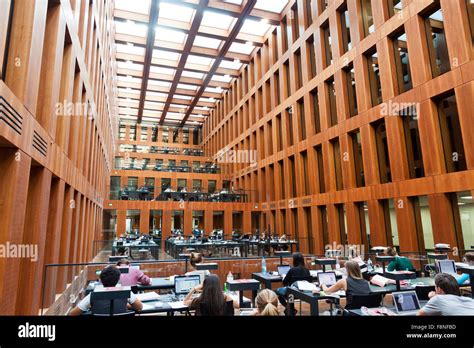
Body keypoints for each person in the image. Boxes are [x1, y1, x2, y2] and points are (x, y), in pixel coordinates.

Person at [69, 266, 143, 315]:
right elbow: (139, 307)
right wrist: (126, 305)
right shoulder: (126, 292)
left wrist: (91, 305)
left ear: (101, 280)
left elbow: (72, 314)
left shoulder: (93, 295)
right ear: (117, 280)